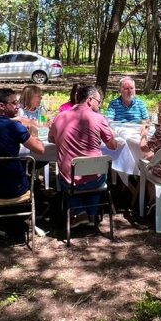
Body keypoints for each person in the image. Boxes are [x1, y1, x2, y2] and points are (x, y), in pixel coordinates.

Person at [50, 85, 119, 226]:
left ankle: (80, 212)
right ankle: (91, 214)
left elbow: (51, 139)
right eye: (99, 102)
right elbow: (112, 146)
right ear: (89, 100)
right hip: (94, 177)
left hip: (69, 177)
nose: (100, 106)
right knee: (97, 174)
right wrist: (111, 132)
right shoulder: (99, 118)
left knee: (70, 177)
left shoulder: (60, 116)